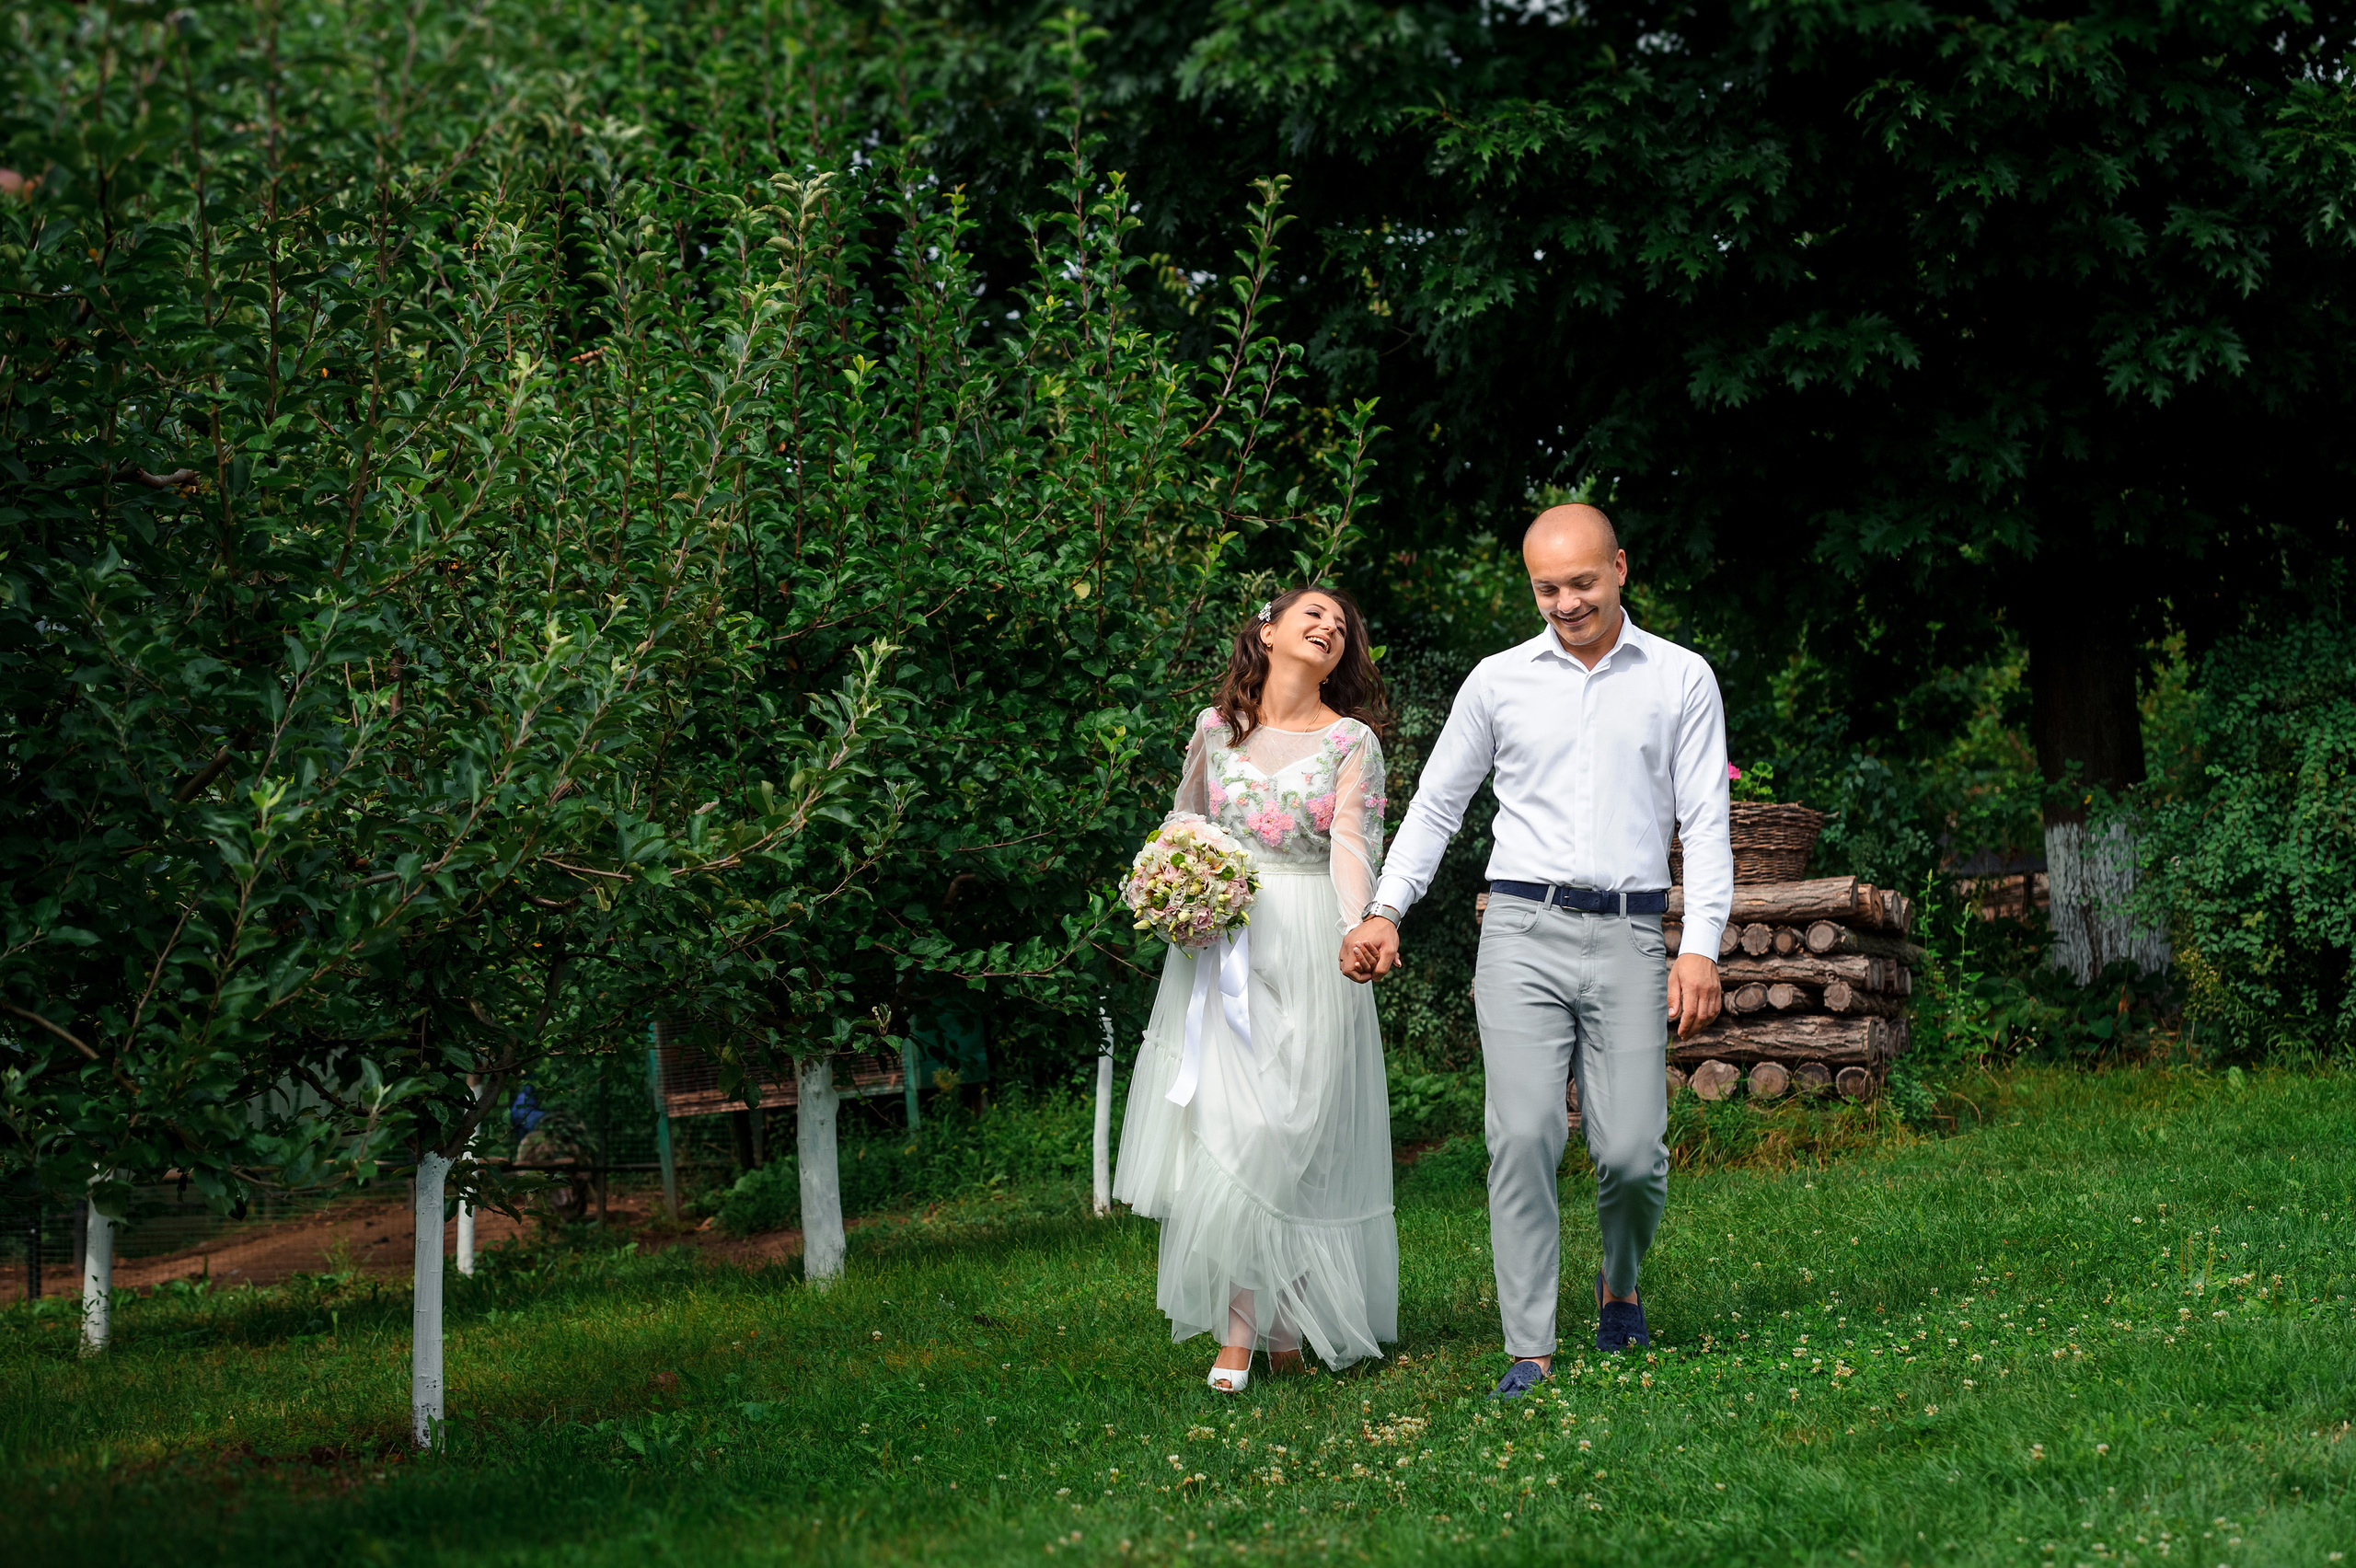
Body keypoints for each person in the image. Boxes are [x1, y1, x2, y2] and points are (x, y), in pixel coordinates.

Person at [1342, 503, 1731, 1399]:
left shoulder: (1680, 678)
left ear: (1620, 568)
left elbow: (1705, 822)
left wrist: (1699, 945)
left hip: (1633, 933)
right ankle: (1529, 1346)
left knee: (1632, 1150)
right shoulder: (1497, 681)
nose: (1564, 602)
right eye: (1546, 588)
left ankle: (1619, 1286)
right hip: (1519, 929)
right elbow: (1439, 804)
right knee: (1520, 1136)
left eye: (1581, 584)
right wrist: (1385, 907)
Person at [1114, 587, 1397, 1392]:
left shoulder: (1353, 742)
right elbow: (1184, 824)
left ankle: (1282, 1323)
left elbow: (1353, 846)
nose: (1329, 628)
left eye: (1342, 626)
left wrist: (1359, 926)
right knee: (1241, 1129)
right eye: (1313, 615)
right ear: (1266, 631)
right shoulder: (1215, 730)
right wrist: (1176, 888)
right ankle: (1243, 1331)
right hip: (1225, 938)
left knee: (1295, 1131)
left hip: (1311, 937)